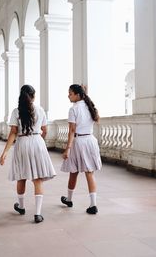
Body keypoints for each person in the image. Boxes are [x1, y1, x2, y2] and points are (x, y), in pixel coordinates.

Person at [0, 85, 56, 223]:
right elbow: (45, 130)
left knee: (21, 177)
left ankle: (22, 207)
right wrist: (39, 142)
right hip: (37, 141)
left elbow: (13, 132)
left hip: (22, 143)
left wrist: (5, 152)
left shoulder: (16, 111)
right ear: (33, 96)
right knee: (37, 179)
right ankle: (37, 214)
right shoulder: (40, 110)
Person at [61, 84, 102, 214]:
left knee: (73, 172)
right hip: (90, 140)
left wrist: (67, 148)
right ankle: (93, 204)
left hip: (78, 142)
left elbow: (72, 130)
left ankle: (69, 199)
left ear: (77, 95)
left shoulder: (73, 109)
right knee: (89, 173)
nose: (68, 95)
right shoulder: (90, 106)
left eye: (70, 93)